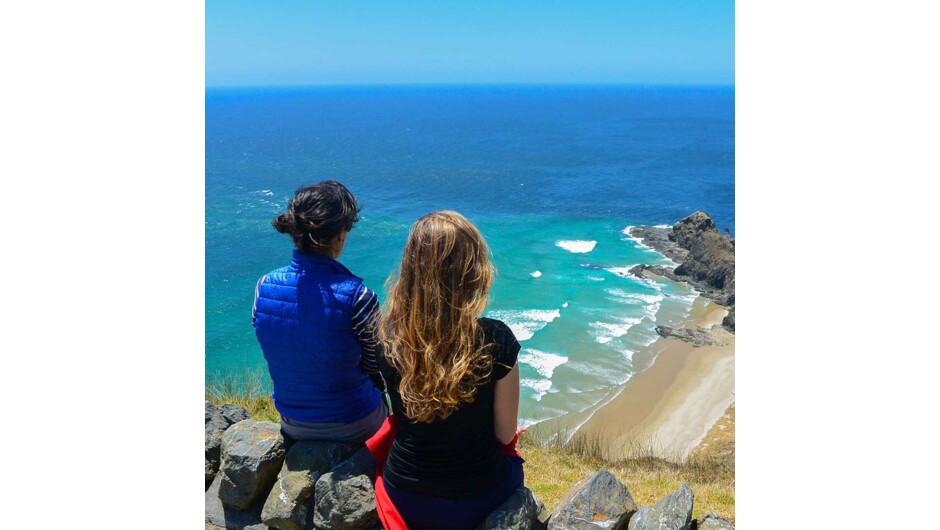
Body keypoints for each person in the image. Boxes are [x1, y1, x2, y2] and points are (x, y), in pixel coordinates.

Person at [375, 210, 524, 530]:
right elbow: (505, 435)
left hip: (404, 490)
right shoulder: (496, 339)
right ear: (473, 273)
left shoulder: (387, 338)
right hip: (478, 493)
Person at [252, 180, 387, 446]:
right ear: (340, 234)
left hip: (293, 422)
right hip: (355, 422)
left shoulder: (263, 286)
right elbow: (376, 367)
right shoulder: (359, 297)